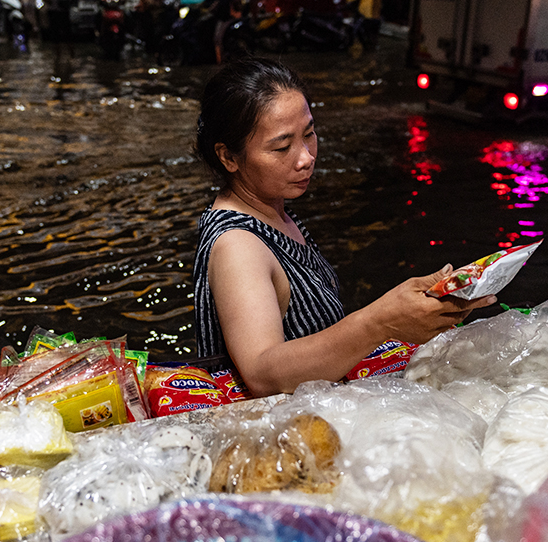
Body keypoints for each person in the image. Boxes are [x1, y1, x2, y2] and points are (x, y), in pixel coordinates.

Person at [192, 57, 496, 397]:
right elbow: (263, 373)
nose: (305, 156)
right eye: (282, 146)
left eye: (309, 134)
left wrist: (409, 311)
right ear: (228, 157)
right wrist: (379, 321)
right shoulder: (237, 245)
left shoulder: (273, 212)